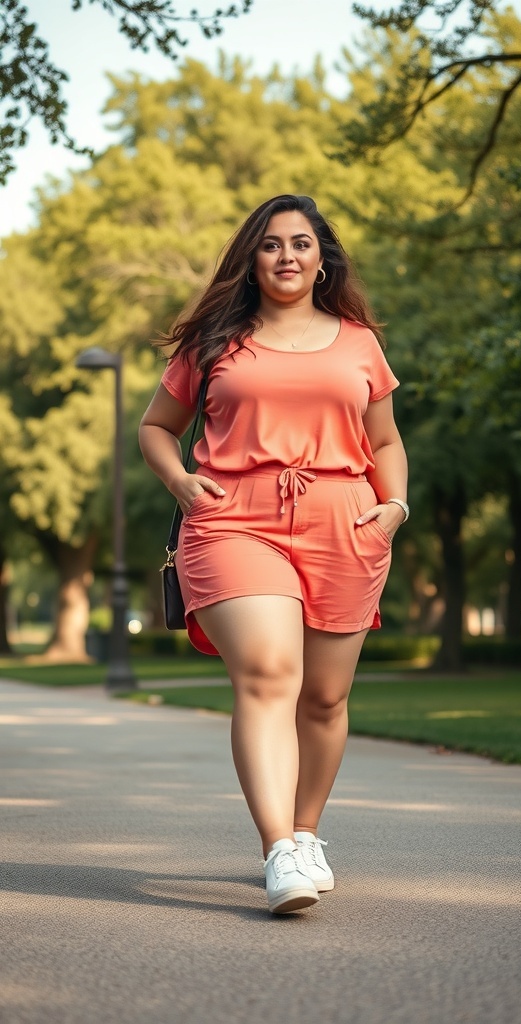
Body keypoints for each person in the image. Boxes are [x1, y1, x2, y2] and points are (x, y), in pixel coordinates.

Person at [139, 194, 408, 914]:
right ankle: (278, 850)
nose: (286, 256)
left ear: (323, 259)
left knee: (324, 697)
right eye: (270, 245)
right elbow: (157, 427)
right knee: (268, 673)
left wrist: (393, 509)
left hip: (344, 521)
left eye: (300, 243)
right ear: (251, 260)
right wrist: (180, 480)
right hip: (233, 518)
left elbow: (384, 441)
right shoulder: (216, 342)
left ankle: (307, 829)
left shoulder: (359, 342)